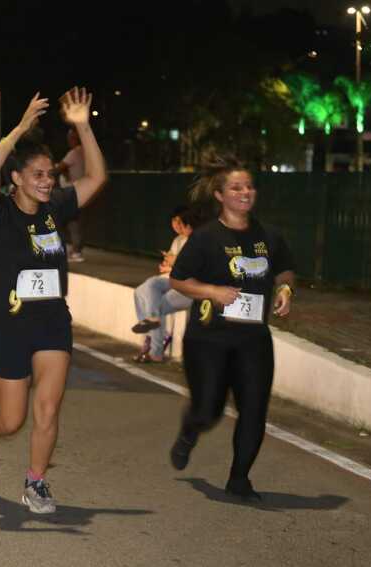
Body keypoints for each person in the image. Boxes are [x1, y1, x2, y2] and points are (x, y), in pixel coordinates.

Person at [0, 87, 107, 514]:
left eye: (51, 174)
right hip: (11, 326)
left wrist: (82, 126)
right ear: (18, 180)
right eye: (39, 175)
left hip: (51, 322)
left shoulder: (55, 208)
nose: (48, 181)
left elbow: (97, 178)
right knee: (12, 419)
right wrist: (22, 127)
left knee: (47, 407)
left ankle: (36, 482)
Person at [167, 155, 295, 502]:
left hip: (253, 338)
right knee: (208, 409)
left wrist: (284, 290)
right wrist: (211, 291)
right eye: (236, 187)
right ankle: (190, 430)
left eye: (249, 186)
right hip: (207, 338)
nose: (245, 192)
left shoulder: (269, 235)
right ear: (220, 195)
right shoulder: (206, 238)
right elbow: (179, 280)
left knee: (254, 409)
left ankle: (239, 479)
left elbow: (283, 270)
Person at [131, 205, 197, 363]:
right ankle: (150, 335)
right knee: (140, 291)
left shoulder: (198, 240)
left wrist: (174, 264)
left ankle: (155, 349)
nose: (177, 226)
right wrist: (168, 265)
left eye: (180, 223)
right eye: (174, 222)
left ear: (189, 223)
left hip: (190, 287)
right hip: (174, 280)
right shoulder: (178, 240)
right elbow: (173, 264)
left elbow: (191, 269)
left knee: (154, 298)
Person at [54, 127, 86, 262]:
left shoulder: (74, 153)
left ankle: (76, 251)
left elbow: (58, 168)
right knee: (77, 222)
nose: (69, 141)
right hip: (85, 190)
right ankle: (76, 249)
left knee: (73, 222)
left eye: (71, 138)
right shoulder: (86, 152)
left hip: (75, 192)